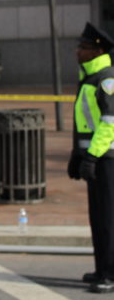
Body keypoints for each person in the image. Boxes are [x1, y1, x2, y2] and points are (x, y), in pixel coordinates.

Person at [67, 22, 114, 293]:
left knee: (109, 217)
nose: (78, 51)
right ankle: (101, 268)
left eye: (83, 47)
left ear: (97, 51)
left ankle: (110, 273)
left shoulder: (106, 79)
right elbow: (85, 123)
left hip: (107, 159)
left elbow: (109, 124)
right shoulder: (89, 78)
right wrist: (77, 155)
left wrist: (92, 157)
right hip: (95, 157)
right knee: (98, 217)